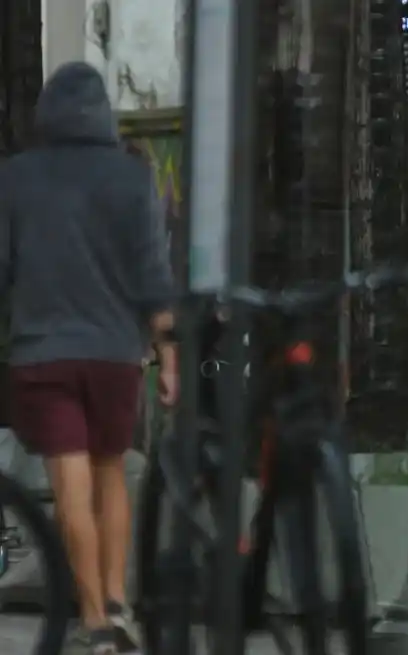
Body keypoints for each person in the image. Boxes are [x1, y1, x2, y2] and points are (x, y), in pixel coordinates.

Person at [0, 62, 176, 655]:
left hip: (43, 354)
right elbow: (153, 274)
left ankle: (94, 620)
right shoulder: (133, 178)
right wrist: (168, 354)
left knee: (70, 483)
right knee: (111, 474)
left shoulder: (14, 179)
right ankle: (119, 604)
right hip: (115, 354)